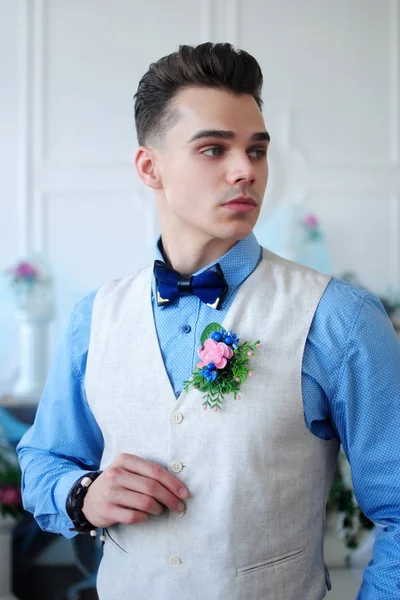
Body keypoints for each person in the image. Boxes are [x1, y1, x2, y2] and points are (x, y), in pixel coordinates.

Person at [17, 43, 400, 600]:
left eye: (257, 150)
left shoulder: (339, 318)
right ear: (150, 167)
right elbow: (43, 460)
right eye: (214, 149)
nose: (246, 170)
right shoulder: (92, 319)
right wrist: (82, 496)